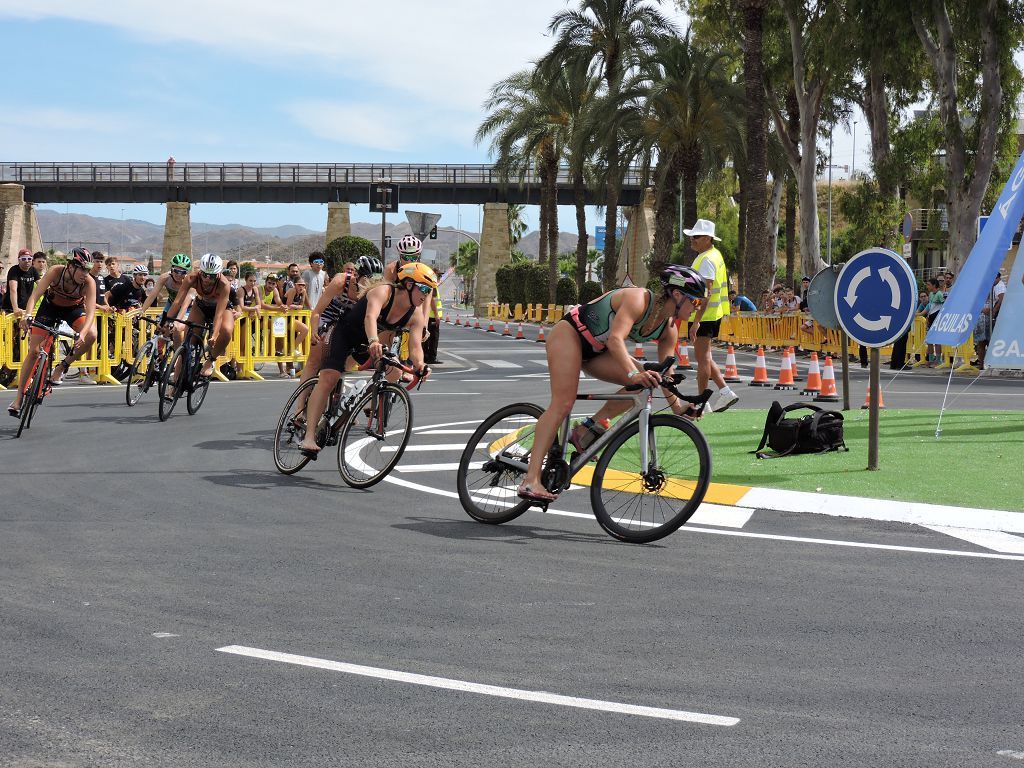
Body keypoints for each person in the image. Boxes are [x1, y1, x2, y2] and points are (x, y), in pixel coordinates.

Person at [515, 265, 707, 503]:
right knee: (563, 403)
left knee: (649, 378)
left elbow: (666, 372)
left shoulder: (669, 328)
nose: (698, 308)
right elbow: (616, 340)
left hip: (598, 351)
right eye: (696, 302)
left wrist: (679, 407)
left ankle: (587, 429)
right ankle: (530, 479)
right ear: (677, 295)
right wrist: (631, 374)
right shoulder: (639, 299)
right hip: (571, 334)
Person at [297, 261, 434, 460]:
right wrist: (373, 340)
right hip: (346, 334)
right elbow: (370, 317)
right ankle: (309, 436)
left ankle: (359, 403)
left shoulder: (415, 315)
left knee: (394, 371)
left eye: (429, 290)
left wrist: (420, 365)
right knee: (329, 377)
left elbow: (415, 347)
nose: (426, 294)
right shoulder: (384, 292)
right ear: (409, 284)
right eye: (423, 288)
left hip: (370, 343)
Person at [8, 248, 99, 415]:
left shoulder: (89, 282)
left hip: (73, 310)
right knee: (34, 352)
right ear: (71, 267)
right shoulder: (55, 271)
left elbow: (91, 312)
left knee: (92, 335)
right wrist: (27, 316)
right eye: (82, 269)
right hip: (49, 309)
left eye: (88, 270)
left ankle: (61, 367)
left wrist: (84, 333)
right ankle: (19, 399)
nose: (85, 274)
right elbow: (35, 295)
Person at [683, 218, 738, 413]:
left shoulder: (706, 259)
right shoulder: (713, 255)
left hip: (705, 315)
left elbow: (705, 294)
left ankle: (702, 400)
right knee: (704, 356)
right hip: (712, 314)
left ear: (707, 238)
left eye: (696, 237)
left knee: (703, 358)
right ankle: (725, 392)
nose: (692, 240)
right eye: (692, 236)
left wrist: (696, 321)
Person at [163, 253, 235, 378]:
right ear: (200, 271)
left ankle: (210, 360)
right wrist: (166, 320)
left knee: (227, 331)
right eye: (204, 274)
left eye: (211, 276)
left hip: (221, 309)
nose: (207, 279)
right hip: (201, 306)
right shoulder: (191, 278)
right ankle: (173, 386)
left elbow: (218, 315)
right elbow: (177, 301)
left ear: (218, 274)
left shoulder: (224, 285)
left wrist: (214, 334)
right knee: (187, 344)